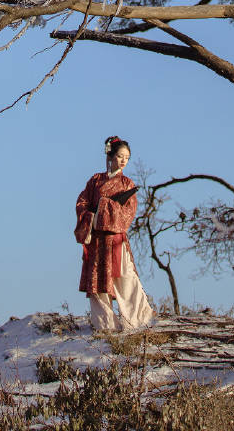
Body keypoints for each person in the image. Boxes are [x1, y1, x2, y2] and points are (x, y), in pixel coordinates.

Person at [75, 135, 155, 332]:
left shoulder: (127, 184)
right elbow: (82, 204)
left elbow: (127, 215)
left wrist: (102, 208)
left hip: (115, 239)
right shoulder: (95, 181)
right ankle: (105, 326)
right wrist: (90, 217)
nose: (123, 160)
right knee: (98, 285)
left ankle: (139, 320)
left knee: (125, 279)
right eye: (120, 156)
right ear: (110, 155)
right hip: (96, 241)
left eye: (127, 157)